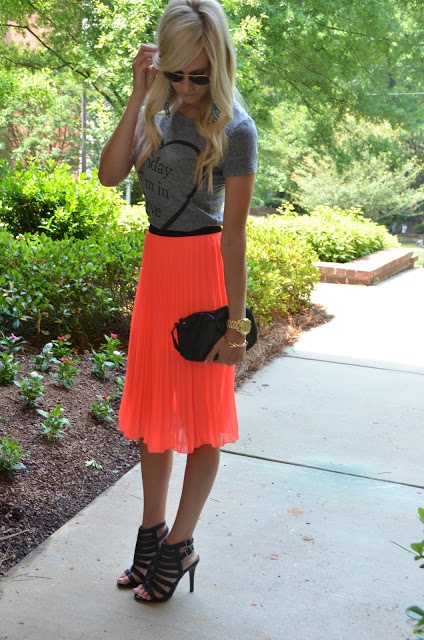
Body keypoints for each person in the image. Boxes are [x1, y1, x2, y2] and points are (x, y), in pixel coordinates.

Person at [98, 0, 257, 603]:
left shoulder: (235, 128)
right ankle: (152, 533)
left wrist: (236, 325)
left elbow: (235, 235)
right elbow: (110, 175)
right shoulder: (154, 116)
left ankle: (180, 543)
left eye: (199, 76)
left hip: (203, 278)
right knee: (154, 420)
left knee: (204, 421)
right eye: (176, 74)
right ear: (160, 67)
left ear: (218, 66)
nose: (187, 88)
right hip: (157, 274)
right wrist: (138, 95)